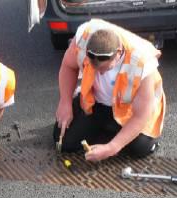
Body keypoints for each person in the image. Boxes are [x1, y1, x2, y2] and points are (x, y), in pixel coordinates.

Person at [53, 19, 165, 162]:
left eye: (104, 68)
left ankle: (113, 133)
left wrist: (112, 148)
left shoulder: (142, 63)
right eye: (94, 68)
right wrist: (65, 102)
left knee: (140, 148)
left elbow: (141, 116)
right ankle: (109, 128)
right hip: (97, 103)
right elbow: (68, 66)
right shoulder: (84, 37)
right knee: (65, 141)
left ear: (118, 53)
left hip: (129, 110)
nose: (99, 73)